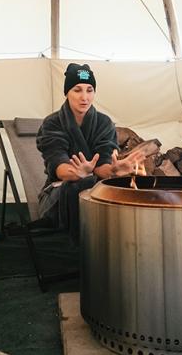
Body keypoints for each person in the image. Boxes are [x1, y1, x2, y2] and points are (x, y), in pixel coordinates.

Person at [36, 63, 145, 238]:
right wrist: (75, 173)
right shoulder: (53, 123)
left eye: (89, 90)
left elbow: (102, 166)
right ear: (67, 92)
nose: (84, 97)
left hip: (94, 188)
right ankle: (79, 246)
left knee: (113, 187)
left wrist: (113, 171)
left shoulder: (104, 123)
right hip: (58, 196)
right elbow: (57, 163)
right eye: (77, 90)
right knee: (79, 185)